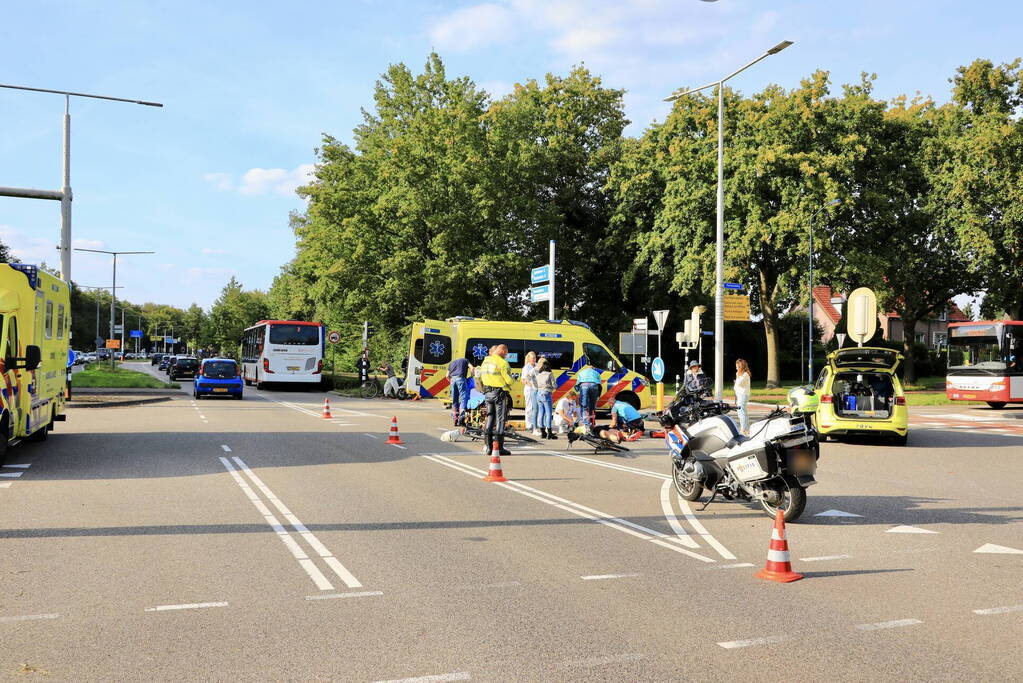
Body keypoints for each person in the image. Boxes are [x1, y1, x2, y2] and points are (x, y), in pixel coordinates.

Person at [478, 344, 514, 456]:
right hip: (499, 394)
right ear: (502, 351)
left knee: (490, 418)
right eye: (506, 353)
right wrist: (513, 379)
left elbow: (480, 377)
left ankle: (488, 447)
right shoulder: (503, 363)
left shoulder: (486, 361)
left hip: (487, 393)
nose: (506, 355)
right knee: (500, 420)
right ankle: (499, 447)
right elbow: (509, 381)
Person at [533, 357, 556, 439]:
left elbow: (535, 385)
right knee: (548, 413)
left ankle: (543, 432)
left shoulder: (538, 374)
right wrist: (552, 388)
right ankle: (549, 432)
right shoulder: (550, 374)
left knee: (541, 412)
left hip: (539, 393)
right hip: (546, 393)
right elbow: (554, 385)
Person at [446, 355, 473, 423]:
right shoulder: (465, 360)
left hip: (452, 380)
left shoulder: (451, 363)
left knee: (454, 399)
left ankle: (455, 417)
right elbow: (472, 368)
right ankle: (462, 415)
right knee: (463, 397)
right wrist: (472, 377)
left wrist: (451, 381)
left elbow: (447, 376)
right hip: (460, 378)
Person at [575, 362, 603, 426]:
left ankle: (586, 423)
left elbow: (577, 384)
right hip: (594, 386)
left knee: (584, 405)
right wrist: (598, 395)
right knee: (592, 405)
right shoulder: (596, 373)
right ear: (593, 368)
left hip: (584, 386)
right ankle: (592, 421)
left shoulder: (581, 372)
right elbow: (599, 385)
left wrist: (579, 392)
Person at [521, 351, 539, 436]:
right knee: (529, 407)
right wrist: (531, 385)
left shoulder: (536, 366)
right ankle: (529, 424)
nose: (534, 359)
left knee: (536, 407)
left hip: (536, 389)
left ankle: (535, 423)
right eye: (532, 358)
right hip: (529, 389)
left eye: (535, 358)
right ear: (529, 359)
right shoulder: (526, 367)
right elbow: (523, 380)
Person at [734, 358, 752, 433]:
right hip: (740, 394)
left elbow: (738, 384)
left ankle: (743, 429)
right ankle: (746, 429)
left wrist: (738, 376)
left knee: (741, 412)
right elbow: (737, 386)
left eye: (737, 366)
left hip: (743, 395)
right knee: (743, 412)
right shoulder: (741, 374)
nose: (736, 368)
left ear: (741, 367)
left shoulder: (745, 375)